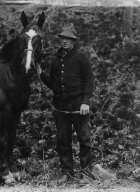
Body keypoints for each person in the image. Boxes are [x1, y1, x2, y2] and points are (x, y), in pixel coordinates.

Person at [40, 23, 95, 184]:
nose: (64, 41)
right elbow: (53, 84)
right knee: (63, 141)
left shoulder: (81, 57)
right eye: (63, 38)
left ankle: (86, 173)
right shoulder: (56, 59)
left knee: (84, 140)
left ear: (73, 41)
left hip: (79, 107)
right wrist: (41, 74)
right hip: (61, 108)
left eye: (68, 39)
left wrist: (85, 102)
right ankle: (67, 173)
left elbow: (89, 81)